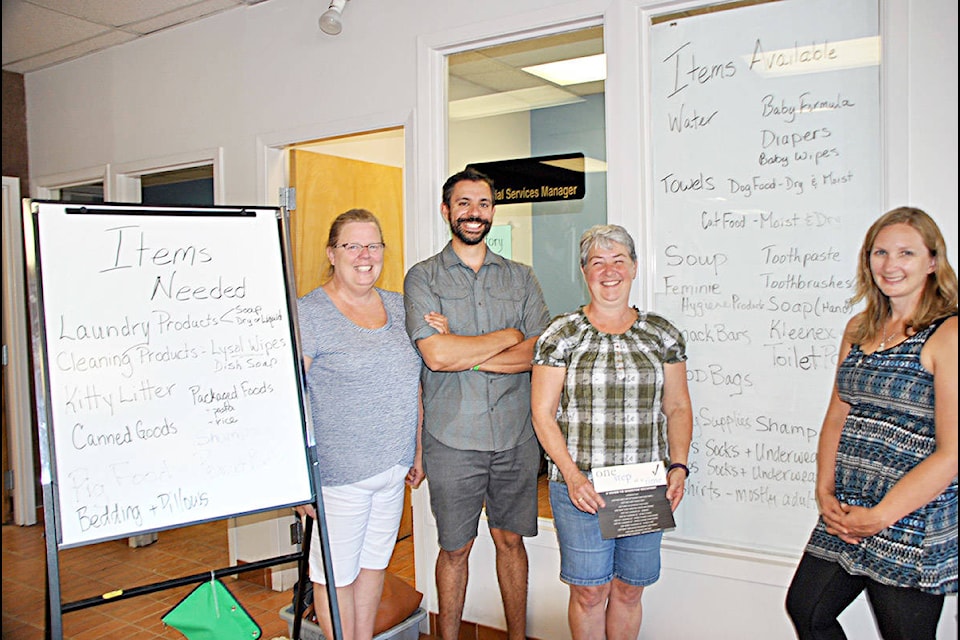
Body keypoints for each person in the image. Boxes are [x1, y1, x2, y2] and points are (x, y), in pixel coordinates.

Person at [785, 207, 958, 640]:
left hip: (911, 518)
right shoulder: (859, 328)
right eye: (880, 252)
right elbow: (836, 416)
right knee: (807, 610)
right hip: (847, 507)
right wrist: (825, 491)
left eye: (906, 253)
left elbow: (952, 453)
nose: (890, 264)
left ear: (933, 261)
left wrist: (881, 516)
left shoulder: (948, 334)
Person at [403, 167, 551, 640]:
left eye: (483, 204)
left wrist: (467, 353)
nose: (474, 213)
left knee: (511, 541)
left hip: (515, 435)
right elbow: (436, 354)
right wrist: (507, 338)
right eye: (464, 204)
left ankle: (516, 636)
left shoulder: (521, 278)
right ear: (447, 211)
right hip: (451, 437)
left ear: (492, 212)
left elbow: (540, 353)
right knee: (454, 549)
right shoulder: (421, 277)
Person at [530, 224, 693, 640]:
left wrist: (678, 466)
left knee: (629, 590)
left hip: (643, 486)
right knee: (589, 592)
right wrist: (571, 475)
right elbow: (542, 414)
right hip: (582, 486)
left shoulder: (663, 334)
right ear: (584, 271)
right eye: (597, 262)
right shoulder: (560, 335)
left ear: (635, 268)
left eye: (619, 260)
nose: (609, 271)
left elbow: (676, 407)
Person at [296, 208, 425, 640]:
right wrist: (298, 479)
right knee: (336, 577)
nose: (364, 255)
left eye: (373, 245)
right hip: (338, 478)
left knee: (374, 568)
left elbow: (417, 382)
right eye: (352, 245)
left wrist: (418, 450)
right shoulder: (309, 313)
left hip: (393, 472)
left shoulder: (399, 305)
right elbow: (292, 401)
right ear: (332, 254)